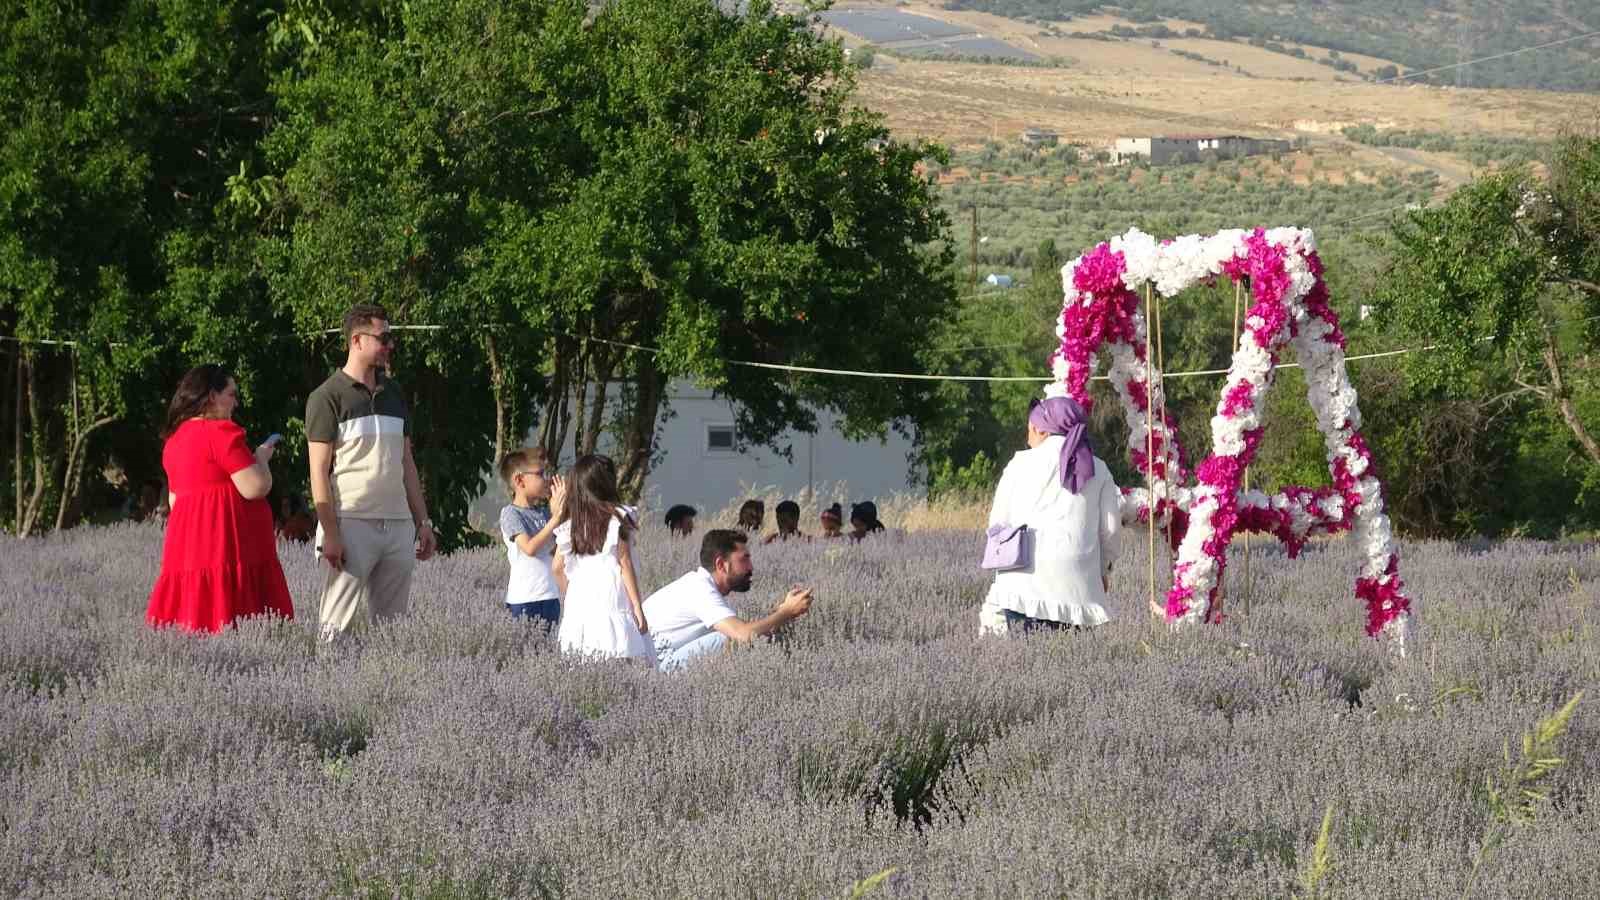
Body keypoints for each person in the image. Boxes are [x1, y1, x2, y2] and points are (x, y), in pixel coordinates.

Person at [305, 304, 436, 641]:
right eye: (384, 338)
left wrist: (423, 522)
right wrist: (331, 533)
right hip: (351, 523)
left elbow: (406, 462)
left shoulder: (395, 393)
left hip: (397, 526)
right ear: (357, 340)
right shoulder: (326, 397)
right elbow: (318, 472)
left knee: (392, 633)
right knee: (335, 629)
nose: (390, 345)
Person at [146, 365, 294, 632]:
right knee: (234, 623)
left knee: (192, 626)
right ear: (212, 396)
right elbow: (255, 487)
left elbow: (174, 502)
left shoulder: (174, 441)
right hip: (225, 547)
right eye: (231, 394)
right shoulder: (221, 432)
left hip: (188, 550)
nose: (235, 402)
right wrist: (261, 458)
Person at [978, 396, 1121, 635]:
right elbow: (1111, 530)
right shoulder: (1099, 468)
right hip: (1078, 586)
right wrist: (1104, 570)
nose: (1028, 436)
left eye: (1030, 429)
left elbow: (997, 523)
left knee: (1028, 665)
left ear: (1041, 430)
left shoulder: (1019, 463)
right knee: (1076, 666)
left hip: (1021, 584)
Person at [644, 529, 814, 672]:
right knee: (730, 640)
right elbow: (744, 635)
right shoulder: (701, 589)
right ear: (721, 565)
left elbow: (748, 632)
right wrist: (786, 612)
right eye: (744, 559)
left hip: (656, 663)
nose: (751, 567)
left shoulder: (701, 586)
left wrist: (782, 613)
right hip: (655, 669)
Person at [552, 454, 654, 661]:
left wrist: (570, 593)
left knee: (581, 664)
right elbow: (624, 562)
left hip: (579, 602)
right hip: (612, 597)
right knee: (624, 659)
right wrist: (637, 606)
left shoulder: (570, 525)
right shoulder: (618, 516)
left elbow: (556, 567)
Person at [498, 447, 567, 630]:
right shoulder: (510, 513)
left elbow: (556, 551)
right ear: (520, 480)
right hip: (524, 599)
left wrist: (557, 513)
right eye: (540, 474)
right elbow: (529, 548)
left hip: (550, 596)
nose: (546, 480)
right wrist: (555, 519)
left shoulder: (544, 514)